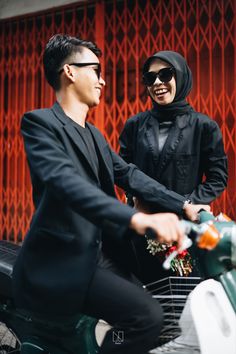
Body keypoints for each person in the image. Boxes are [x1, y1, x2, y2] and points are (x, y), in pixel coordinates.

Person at [12, 36, 209, 354]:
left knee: (148, 309)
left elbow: (130, 176)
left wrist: (184, 205)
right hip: (63, 259)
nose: (103, 80)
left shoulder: (95, 134)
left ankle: (107, 346)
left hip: (101, 253)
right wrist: (140, 219)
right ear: (70, 72)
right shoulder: (40, 124)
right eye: (96, 70)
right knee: (146, 317)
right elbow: (66, 184)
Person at [119, 50, 228, 282]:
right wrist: (136, 201)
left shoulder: (204, 127)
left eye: (165, 75)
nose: (157, 83)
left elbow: (218, 178)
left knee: (182, 297)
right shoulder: (134, 125)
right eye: (150, 78)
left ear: (180, 76)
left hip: (183, 231)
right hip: (144, 224)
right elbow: (123, 170)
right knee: (145, 300)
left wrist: (189, 204)